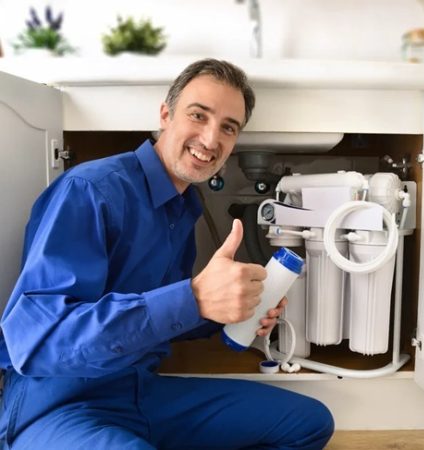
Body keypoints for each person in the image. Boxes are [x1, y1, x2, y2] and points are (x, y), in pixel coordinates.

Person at [0, 58, 334, 449]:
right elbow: (39, 341)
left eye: (228, 127)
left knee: (309, 423)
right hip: (61, 403)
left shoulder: (182, 207)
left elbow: (163, 317)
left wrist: (230, 307)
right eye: (198, 115)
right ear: (165, 114)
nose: (211, 140)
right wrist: (193, 298)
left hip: (142, 392)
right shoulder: (91, 191)